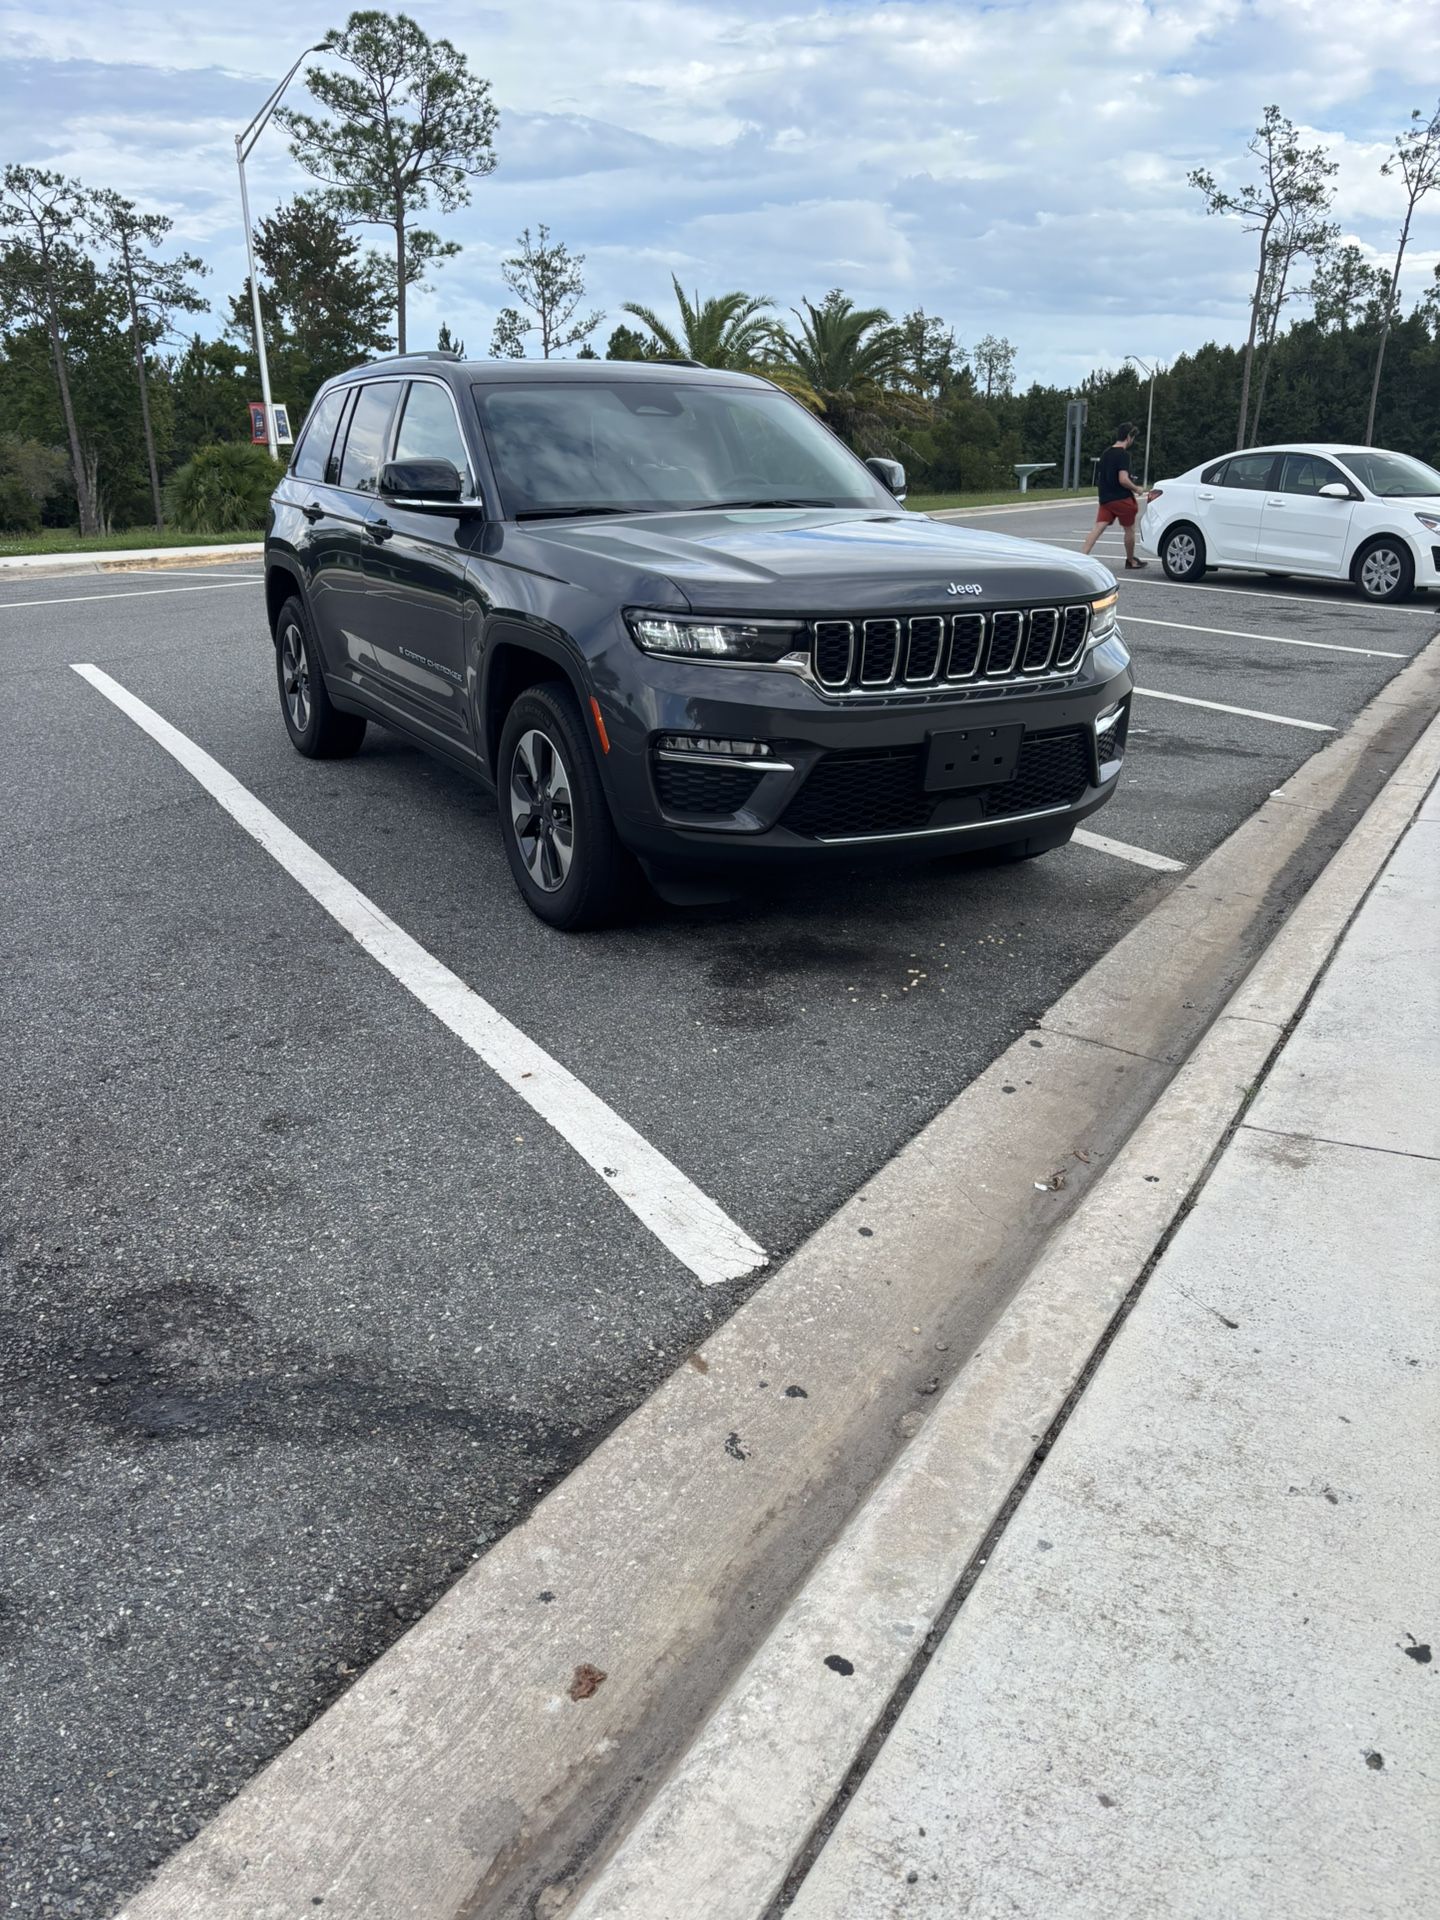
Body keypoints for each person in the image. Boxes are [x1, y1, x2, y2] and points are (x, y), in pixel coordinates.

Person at [1082, 424, 1149, 569]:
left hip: (1106, 498)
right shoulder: (1123, 455)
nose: (1133, 440)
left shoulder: (1106, 453)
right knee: (1130, 530)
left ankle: (1081, 557)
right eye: (1133, 437)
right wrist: (1136, 488)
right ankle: (1130, 560)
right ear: (1128, 437)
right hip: (1121, 498)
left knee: (1098, 527)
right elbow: (1123, 479)